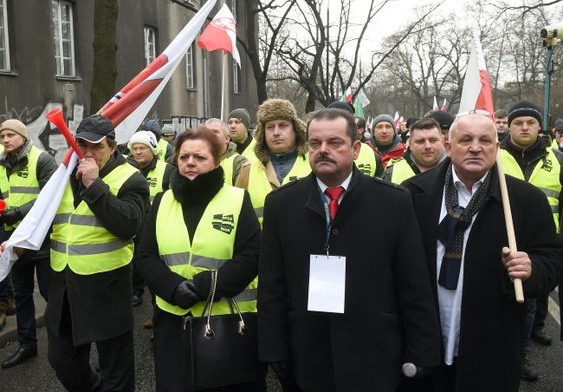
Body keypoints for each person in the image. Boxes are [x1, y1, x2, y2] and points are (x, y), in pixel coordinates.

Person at [258, 108, 441, 391]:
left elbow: (413, 281)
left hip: (375, 352)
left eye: (334, 143)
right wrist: (273, 347)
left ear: (355, 149)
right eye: (316, 143)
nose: (323, 150)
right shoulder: (281, 205)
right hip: (307, 353)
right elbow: (272, 285)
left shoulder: (393, 202)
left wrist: (423, 349)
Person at [402, 112, 563, 392]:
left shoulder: (526, 200)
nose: (475, 147)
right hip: (425, 342)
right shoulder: (413, 194)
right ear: (448, 147)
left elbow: (552, 258)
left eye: (485, 140)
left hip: (491, 343)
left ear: (496, 148)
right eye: (465, 139)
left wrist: (532, 268)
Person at [135, 128, 264, 392]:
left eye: (199, 157)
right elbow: (146, 256)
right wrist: (173, 288)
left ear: (216, 162)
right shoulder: (162, 201)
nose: (190, 162)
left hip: (227, 323)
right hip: (174, 322)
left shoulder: (237, 199)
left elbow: (252, 255)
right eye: (184, 157)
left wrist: (205, 287)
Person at [45, 114, 150, 391]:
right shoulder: (64, 174)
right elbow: (45, 218)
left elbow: (128, 225)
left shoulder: (131, 178)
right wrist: (21, 241)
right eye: (82, 145)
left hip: (107, 289)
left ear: (113, 147)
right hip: (66, 289)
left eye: (97, 147)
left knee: (117, 372)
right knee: (62, 361)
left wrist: (95, 186)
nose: (88, 153)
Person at [498, 100, 563, 380]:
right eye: (518, 123)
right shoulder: (494, 155)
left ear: (541, 127)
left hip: (541, 243)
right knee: (501, 304)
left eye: (530, 122)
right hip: (501, 241)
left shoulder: (557, 159)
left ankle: (520, 355)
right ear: (509, 127)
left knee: (530, 304)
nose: (524, 127)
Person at [0, 119, 58, 368]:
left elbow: (51, 197)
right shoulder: (1, 163)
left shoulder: (42, 160)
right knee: (22, 294)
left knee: (49, 293)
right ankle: (27, 345)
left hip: (41, 239)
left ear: (23, 137)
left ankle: (63, 341)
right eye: (2, 136)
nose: (5, 140)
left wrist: (18, 212)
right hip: (14, 240)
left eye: (10, 135)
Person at [127, 130, 174, 308]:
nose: (138, 152)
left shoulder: (167, 171)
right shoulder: (127, 170)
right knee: (135, 264)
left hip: (158, 229)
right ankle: (136, 292)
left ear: (153, 149)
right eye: (135, 148)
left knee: (156, 273)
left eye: (143, 148)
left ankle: (158, 314)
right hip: (135, 229)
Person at [247, 99, 311, 223]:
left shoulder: (314, 162)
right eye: (270, 127)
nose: (276, 133)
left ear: (295, 129)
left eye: (283, 126)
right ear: (262, 132)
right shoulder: (247, 167)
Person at [383, 118, 446, 184]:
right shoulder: (392, 172)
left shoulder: (455, 169)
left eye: (433, 140)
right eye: (420, 141)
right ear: (410, 144)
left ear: (443, 141)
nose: (428, 146)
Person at [204, 118, 250, 188]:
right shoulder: (194, 160)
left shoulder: (239, 163)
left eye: (215, 132)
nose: (209, 136)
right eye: (206, 133)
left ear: (227, 139)